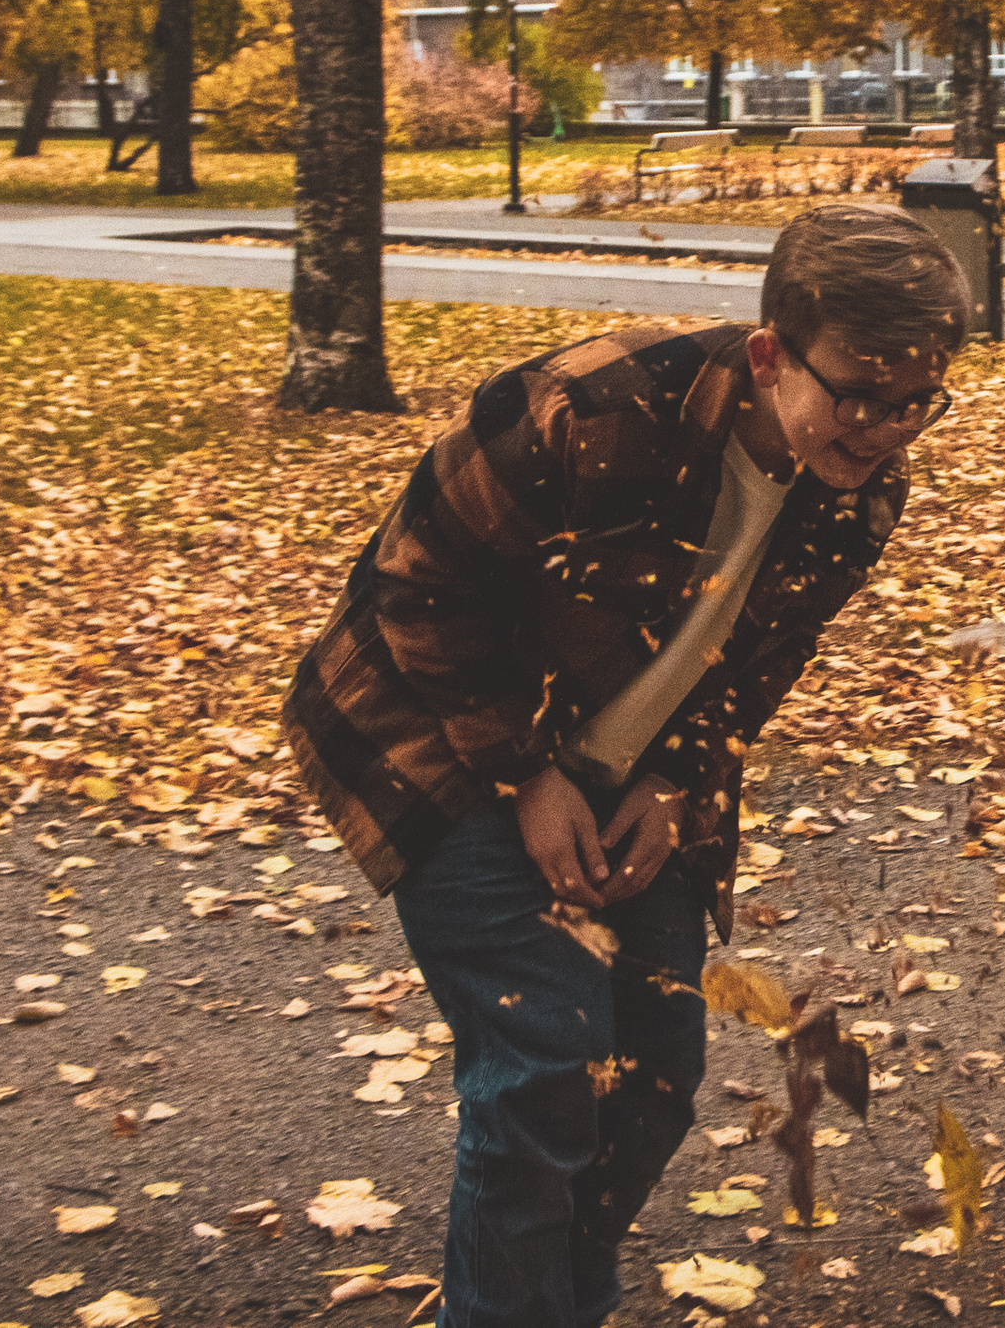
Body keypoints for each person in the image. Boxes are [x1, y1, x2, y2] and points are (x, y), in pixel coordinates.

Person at [282, 204, 969, 1328]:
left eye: (914, 403)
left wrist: (673, 784)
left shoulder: (860, 490)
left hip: (627, 766)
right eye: (858, 392)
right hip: (433, 728)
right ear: (768, 353)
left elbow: (756, 661)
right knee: (549, 1060)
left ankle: (560, 1307)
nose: (886, 427)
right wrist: (526, 780)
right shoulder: (595, 407)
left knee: (651, 1082)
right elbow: (420, 587)